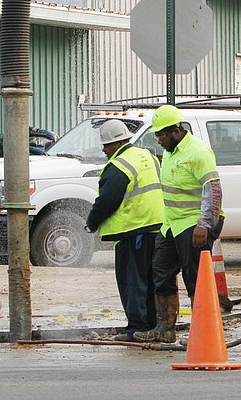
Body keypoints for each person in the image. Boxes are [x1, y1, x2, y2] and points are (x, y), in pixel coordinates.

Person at [134, 105, 225, 343]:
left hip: (195, 223)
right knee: (161, 272)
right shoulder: (171, 152)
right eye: (157, 136)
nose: (160, 141)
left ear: (176, 131)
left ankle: (204, 333)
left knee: (195, 278)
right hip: (172, 223)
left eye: (162, 136)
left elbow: (213, 191)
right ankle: (164, 328)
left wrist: (204, 225)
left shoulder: (198, 152)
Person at [85, 119, 164, 341]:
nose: (103, 150)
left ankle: (136, 329)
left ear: (114, 144)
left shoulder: (118, 165)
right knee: (151, 280)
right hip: (156, 227)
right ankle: (152, 325)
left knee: (133, 282)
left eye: (105, 145)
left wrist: (91, 222)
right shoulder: (147, 155)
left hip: (133, 230)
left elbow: (107, 201)